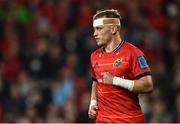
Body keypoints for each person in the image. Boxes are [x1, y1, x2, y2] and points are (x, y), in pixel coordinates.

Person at [88, 9, 153, 123]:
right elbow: (96, 81)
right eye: (94, 29)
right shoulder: (94, 56)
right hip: (103, 120)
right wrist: (93, 102)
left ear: (113, 29)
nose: (94, 34)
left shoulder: (133, 53)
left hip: (128, 120)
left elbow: (148, 85)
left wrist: (115, 80)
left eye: (99, 29)